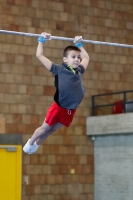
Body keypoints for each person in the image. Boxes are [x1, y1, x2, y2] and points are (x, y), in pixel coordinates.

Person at [23, 32, 90, 154]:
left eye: (77, 57)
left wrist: (79, 44)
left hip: (71, 110)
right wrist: (41, 40)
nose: (77, 59)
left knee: (51, 130)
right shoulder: (58, 69)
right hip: (58, 108)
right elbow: (39, 55)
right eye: (73, 57)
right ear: (65, 59)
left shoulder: (79, 70)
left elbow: (86, 58)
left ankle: (36, 145)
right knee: (44, 129)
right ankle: (30, 143)